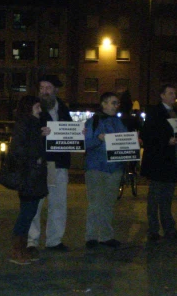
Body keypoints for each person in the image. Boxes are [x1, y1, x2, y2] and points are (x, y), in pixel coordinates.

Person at [27, 75, 74, 254]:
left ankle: (54, 240)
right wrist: (40, 133)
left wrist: (78, 133)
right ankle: (32, 241)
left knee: (58, 203)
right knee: (36, 202)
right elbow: (26, 132)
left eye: (48, 88)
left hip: (59, 163)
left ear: (55, 90)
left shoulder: (63, 109)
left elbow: (69, 132)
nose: (44, 91)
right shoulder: (34, 108)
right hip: (41, 163)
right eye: (42, 87)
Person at [140, 84, 177, 242]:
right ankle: (153, 230)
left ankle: (169, 228)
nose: (173, 96)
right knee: (155, 198)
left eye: (174, 93)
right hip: (158, 162)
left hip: (172, 161)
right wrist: (165, 140)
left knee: (167, 198)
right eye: (170, 93)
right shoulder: (155, 112)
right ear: (162, 95)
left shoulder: (175, 112)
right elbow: (147, 135)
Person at [8, 95, 50, 265]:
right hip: (28, 177)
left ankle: (22, 248)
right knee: (26, 213)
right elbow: (20, 149)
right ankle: (17, 249)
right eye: (37, 107)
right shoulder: (25, 124)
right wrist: (35, 159)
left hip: (34, 176)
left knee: (30, 212)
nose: (40, 110)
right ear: (29, 108)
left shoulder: (32, 124)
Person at [84, 92, 128, 248]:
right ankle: (91, 237)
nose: (116, 106)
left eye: (117, 103)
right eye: (113, 103)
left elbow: (124, 143)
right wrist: (98, 139)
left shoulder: (118, 122)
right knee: (96, 203)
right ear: (103, 104)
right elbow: (85, 144)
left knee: (108, 203)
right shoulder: (93, 121)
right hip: (96, 167)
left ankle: (106, 236)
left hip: (114, 168)